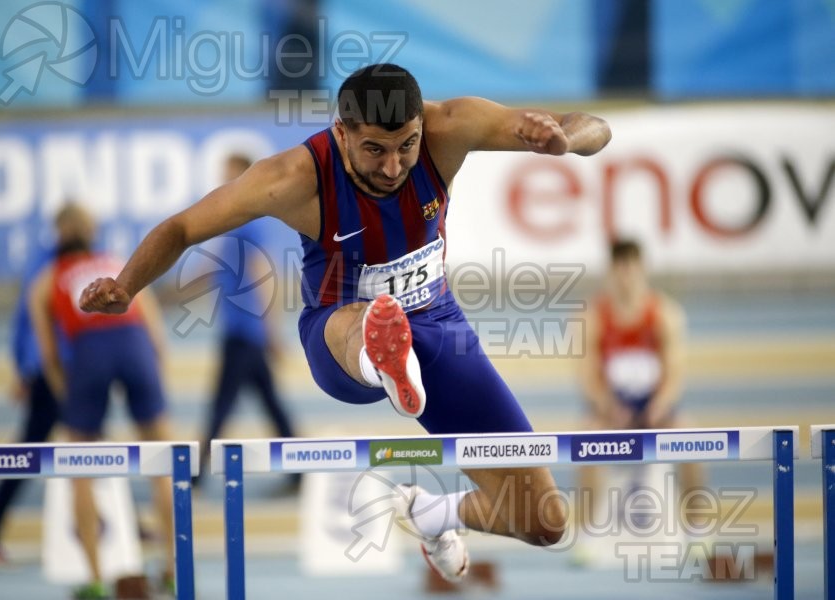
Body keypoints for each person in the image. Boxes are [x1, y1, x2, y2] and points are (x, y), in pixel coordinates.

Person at [80, 63, 611, 582]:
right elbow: (183, 227)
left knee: (545, 522)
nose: (392, 167)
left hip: (439, 326)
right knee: (364, 318)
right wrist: (126, 285)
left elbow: (594, 127)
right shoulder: (291, 177)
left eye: (406, 146)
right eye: (374, 150)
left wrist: (563, 141)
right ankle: (381, 354)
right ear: (341, 132)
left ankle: (433, 514)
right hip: (339, 336)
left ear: (422, 128)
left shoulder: (452, 126)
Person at [29, 204, 176, 600]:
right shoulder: (116, 263)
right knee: (164, 459)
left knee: (80, 467)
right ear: (91, 232)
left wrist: (69, 398)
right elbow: (154, 327)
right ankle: (173, 568)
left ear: (58, 235)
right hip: (133, 344)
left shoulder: (46, 280)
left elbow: (48, 355)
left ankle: (94, 578)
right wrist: (156, 371)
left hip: (88, 353)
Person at [577, 239, 702, 531]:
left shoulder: (664, 313)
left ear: (642, 269)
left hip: (656, 410)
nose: (626, 276)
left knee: (690, 434)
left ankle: (698, 525)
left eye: (631, 268)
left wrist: (660, 405)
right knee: (585, 437)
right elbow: (587, 376)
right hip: (612, 410)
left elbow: (674, 373)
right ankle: (586, 530)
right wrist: (609, 407)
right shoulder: (593, 316)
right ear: (610, 272)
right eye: (619, 269)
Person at [197, 154, 298, 488]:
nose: (223, 182)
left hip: (246, 331)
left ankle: (194, 474)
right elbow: (214, 269)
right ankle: (299, 471)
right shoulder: (233, 224)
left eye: (229, 175)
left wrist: (272, 331)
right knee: (270, 402)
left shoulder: (249, 222)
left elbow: (263, 273)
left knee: (222, 404)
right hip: (242, 331)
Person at [0, 243, 60, 568]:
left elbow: (21, 320)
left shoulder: (45, 262)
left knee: (97, 448)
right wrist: (24, 368)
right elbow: (25, 318)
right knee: (30, 452)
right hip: (58, 372)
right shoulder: (47, 266)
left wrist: (22, 367)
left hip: (62, 371)